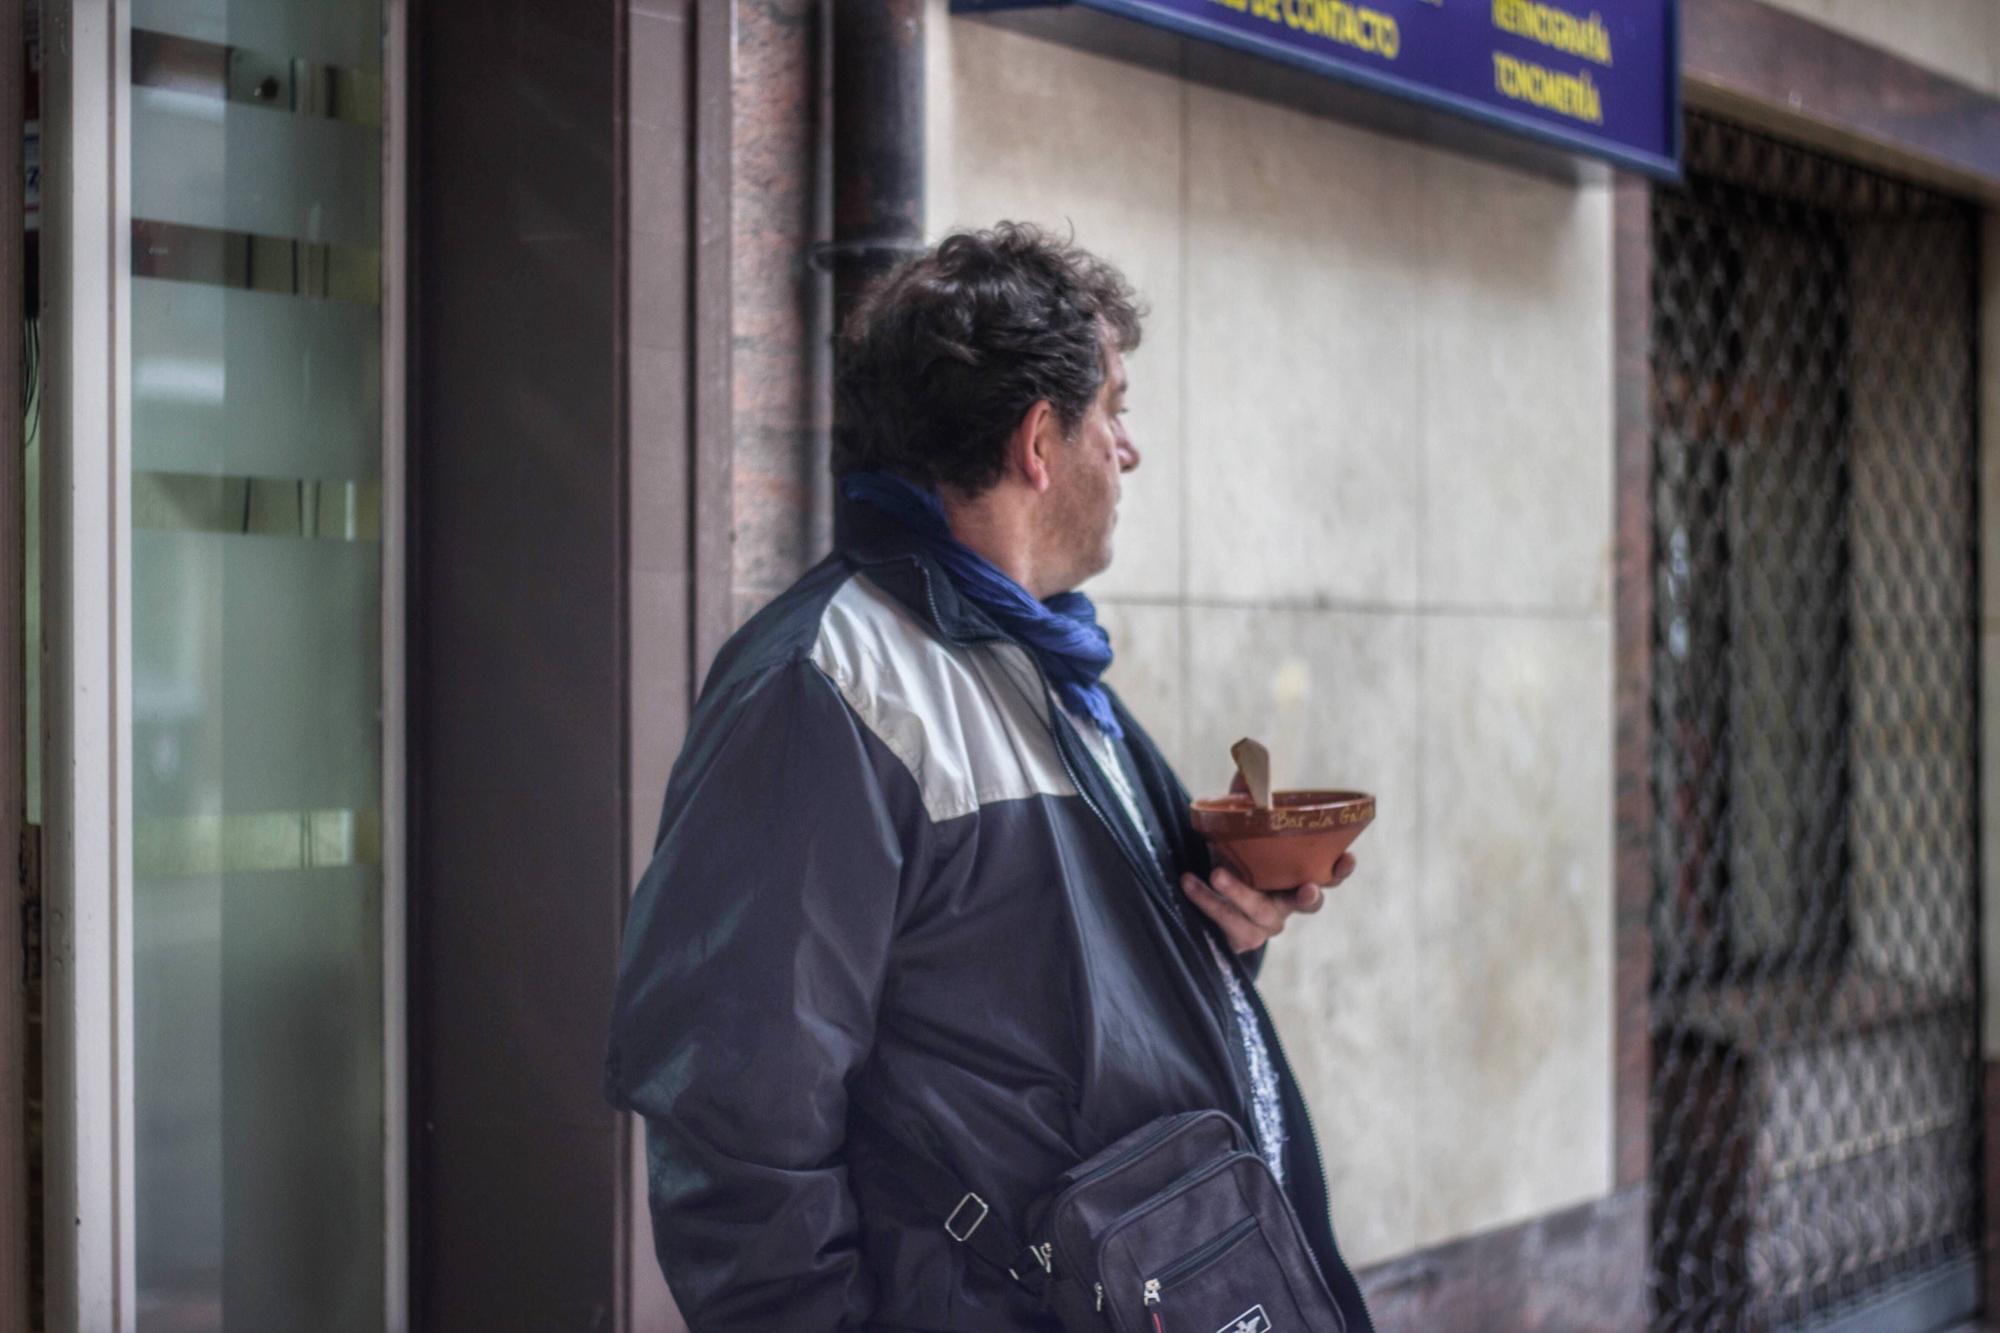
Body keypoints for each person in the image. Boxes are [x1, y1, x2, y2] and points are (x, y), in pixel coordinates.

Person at [605, 223, 1373, 1331]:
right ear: (1035, 442)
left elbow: (1039, 998)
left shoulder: (1041, 658)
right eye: (1112, 406)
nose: (1128, 446)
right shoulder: (824, 687)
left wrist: (1216, 929)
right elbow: (733, 1112)